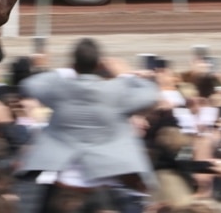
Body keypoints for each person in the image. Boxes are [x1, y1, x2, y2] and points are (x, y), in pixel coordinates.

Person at [15, 38, 160, 213]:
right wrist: (125, 74)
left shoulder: (62, 89)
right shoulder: (116, 91)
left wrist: (67, 70)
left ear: (75, 63)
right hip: (104, 184)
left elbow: (31, 84)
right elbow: (151, 93)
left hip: (64, 186)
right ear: (99, 65)